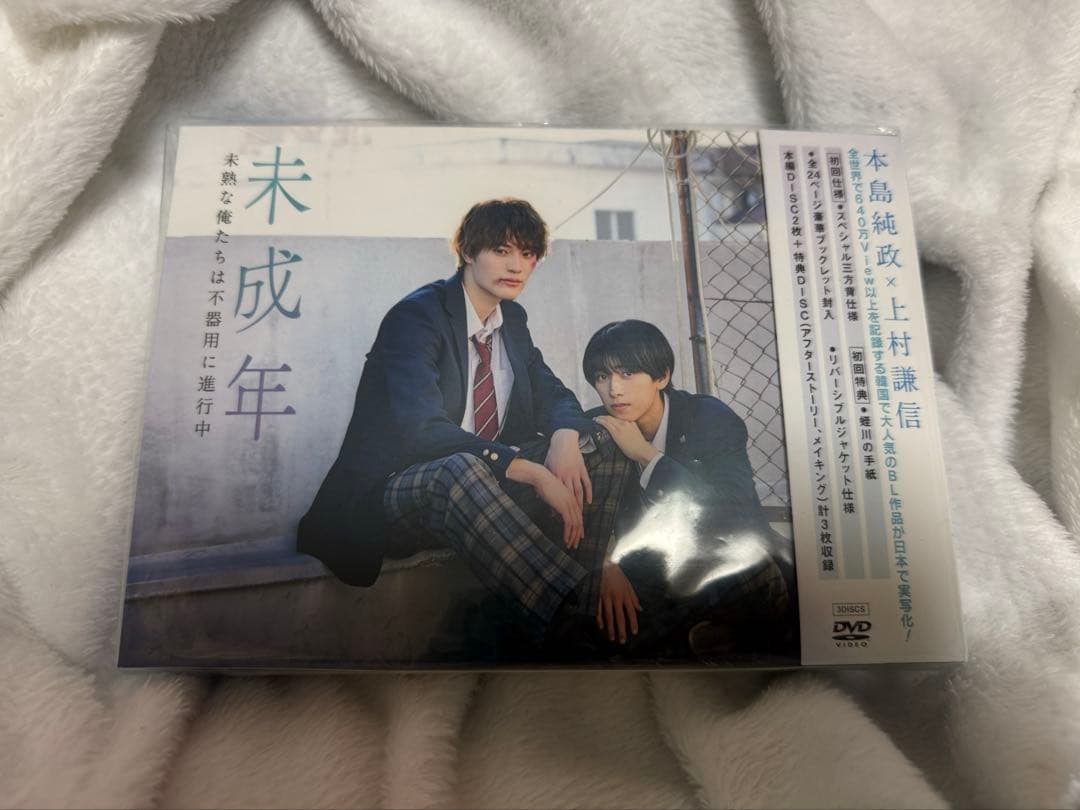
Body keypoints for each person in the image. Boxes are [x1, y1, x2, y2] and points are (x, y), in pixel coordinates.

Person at [297, 199, 634, 650]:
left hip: (483, 484)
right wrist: (532, 471)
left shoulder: (511, 319)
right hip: (397, 491)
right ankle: (571, 622)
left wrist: (565, 436)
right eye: (502, 250)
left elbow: (552, 392)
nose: (516, 266)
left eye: (528, 254)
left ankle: (589, 596)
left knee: (603, 442)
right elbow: (421, 431)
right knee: (463, 466)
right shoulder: (417, 317)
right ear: (468, 252)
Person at [581, 319, 794, 659]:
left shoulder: (708, 418)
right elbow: (575, 508)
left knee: (760, 586)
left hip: (725, 552)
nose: (614, 389)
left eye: (627, 373)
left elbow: (737, 511)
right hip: (648, 565)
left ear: (662, 376)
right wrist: (604, 563)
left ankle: (718, 635)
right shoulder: (596, 426)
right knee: (609, 629)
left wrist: (647, 455)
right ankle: (704, 638)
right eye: (602, 376)